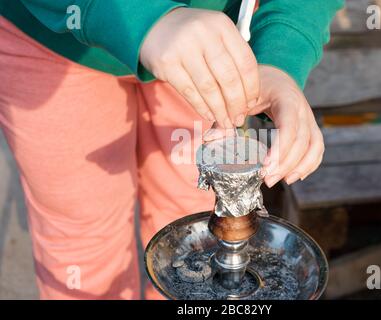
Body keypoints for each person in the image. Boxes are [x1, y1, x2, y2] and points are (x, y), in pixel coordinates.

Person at [0, 0, 344, 299]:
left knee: (193, 232)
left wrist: (282, 56)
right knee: (79, 239)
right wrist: (141, 19)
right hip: (52, 37)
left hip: (209, 52)